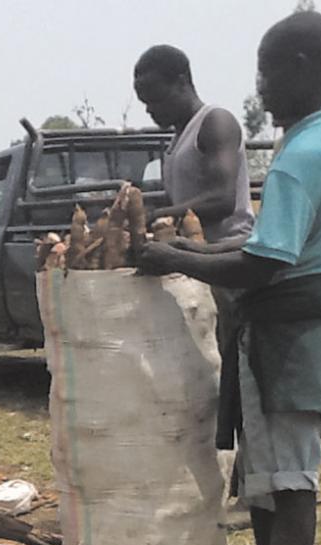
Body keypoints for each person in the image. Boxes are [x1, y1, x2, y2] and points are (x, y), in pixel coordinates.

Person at [137, 11, 321, 545]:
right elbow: (270, 241)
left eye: (266, 75)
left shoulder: (302, 155)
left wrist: (177, 258)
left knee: (290, 477)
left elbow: (265, 260)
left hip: (293, 326)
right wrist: (183, 255)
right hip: (293, 317)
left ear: (299, 68)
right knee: (263, 472)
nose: (258, 89)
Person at [133, 44, 254, 352]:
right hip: (193, 264)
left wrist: (159, 216)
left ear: (182, 82)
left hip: (226, 264)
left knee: (230, 361)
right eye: (144, 102)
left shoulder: (215, 123)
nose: (150, 109)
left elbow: (222, 200)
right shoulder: (176, 141)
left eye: (155, 98)